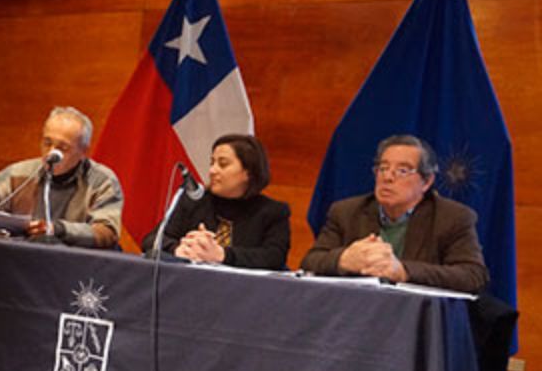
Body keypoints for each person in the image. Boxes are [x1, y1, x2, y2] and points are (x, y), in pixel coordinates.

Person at [300, 134, 488, 293]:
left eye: (402, 171)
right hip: (355, 315)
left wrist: (403, 272)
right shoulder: (346, 212)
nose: (388, 177)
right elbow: (311, 261)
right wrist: (343, 260)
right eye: (383, 168)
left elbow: (473, 275)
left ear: (427, 182)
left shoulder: (452, 218)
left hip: (418, 321)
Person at [0, 106, 123, 248]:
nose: (51, 152)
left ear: (83, 152)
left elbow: (106, 232)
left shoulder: (102, 181)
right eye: (47, 143)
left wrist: (59, 229)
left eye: (62, 147)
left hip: (73, 268)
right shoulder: (18, 174)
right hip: (17, 261)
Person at [141, 134, 291, 269]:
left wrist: (222, 255)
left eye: (223, 164)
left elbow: (274, 257)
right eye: (212, 163)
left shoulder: (273, 212)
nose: (212, 170)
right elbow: (151, 240)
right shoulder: (194, 199)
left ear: (248, 172)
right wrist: (179, 248)